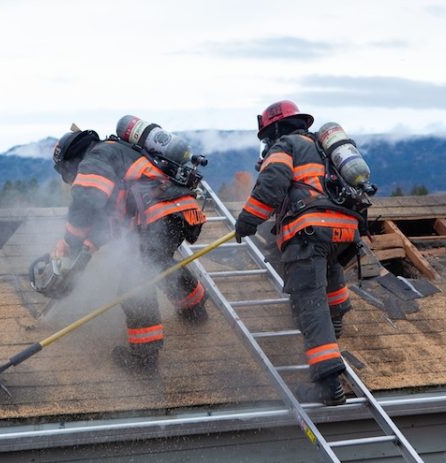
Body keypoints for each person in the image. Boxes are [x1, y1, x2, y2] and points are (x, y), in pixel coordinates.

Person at [234, 100, 366, 406]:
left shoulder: (285, 145)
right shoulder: (322, 146)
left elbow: (272, 183)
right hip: (345, 228)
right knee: (330, 269)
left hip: (309, 228)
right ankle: (336, 320)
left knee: (309, 303)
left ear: (275, 130)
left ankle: (328, 383)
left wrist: (247, 221)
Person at [49, 123, 208, 374]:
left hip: (158, 215)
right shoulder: (118, 153)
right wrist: (89, 246)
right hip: (180, 211)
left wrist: (71, 241)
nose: (71, 179)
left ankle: (144, 360)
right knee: (158, 263)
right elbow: (115, 220)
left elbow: (86, 201)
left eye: (67, 173)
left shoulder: (95, 158)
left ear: (70, 162)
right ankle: (194, 307)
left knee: (133, 284)